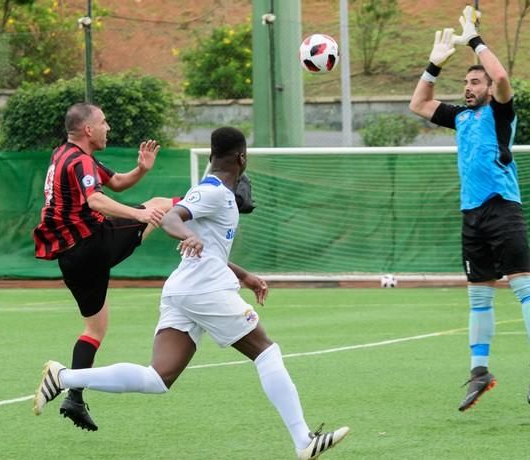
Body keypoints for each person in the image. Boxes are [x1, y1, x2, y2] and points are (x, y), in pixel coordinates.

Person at [33, 126, 349, 459]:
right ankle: (303, 441)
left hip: (186, 289)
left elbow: (209, 248)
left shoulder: (218, 193)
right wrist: (186, 233)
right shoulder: (211, 191)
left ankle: (63, 376)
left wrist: (245, 275)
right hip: (205, 291)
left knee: (158, 377)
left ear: (212, 156)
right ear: (242, 158)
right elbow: (171, 217)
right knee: (267, 353)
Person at [409, 6, 530, 411]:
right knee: (478, 299)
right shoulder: (462, 117)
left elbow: (502, 77)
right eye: (466, 81)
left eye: (475, 81)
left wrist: (473, 39)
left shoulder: (500, 112)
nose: (469, 87)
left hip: (503, 209)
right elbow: (419, 104)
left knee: (523, 286)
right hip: (471, 215)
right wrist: (434, 65)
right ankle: (479, 372)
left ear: (488, 88)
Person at [33, 102, 176, 431]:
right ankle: (227, 200)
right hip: (91, 245)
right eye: (104, 122)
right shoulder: (79, 160)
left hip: (71, 260)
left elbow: (117, 182)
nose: (107, 127)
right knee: (158, 205)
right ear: (88, 130)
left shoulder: (64, 155)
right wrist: (139, 214)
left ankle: (74, 396)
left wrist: (142, 169)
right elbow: (95, 200)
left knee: (95, 329)